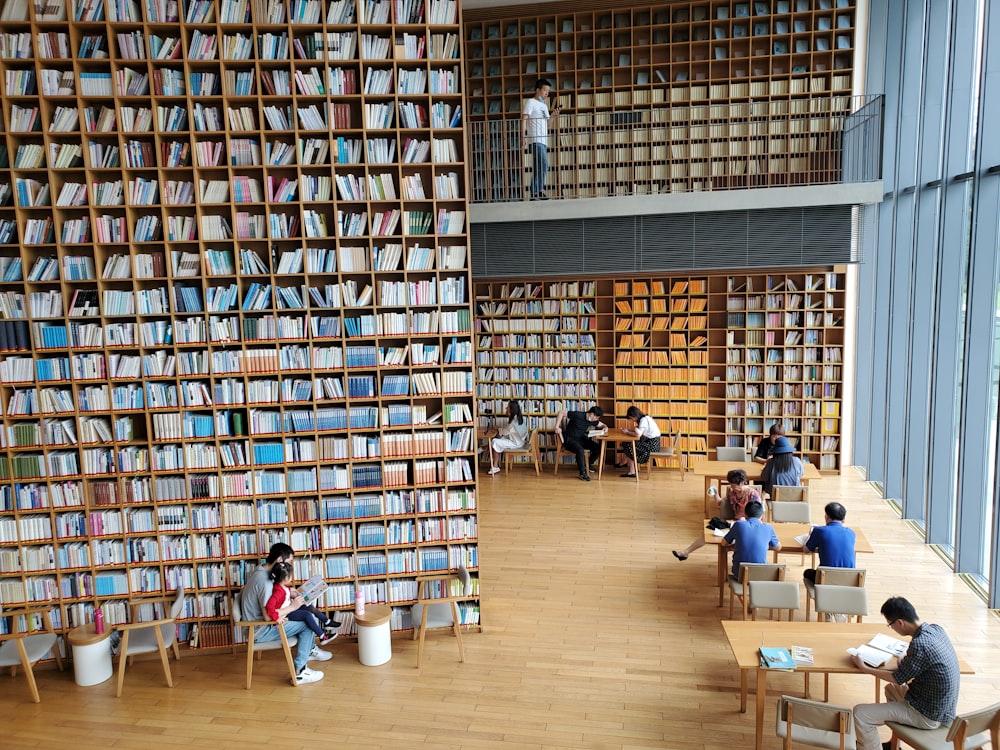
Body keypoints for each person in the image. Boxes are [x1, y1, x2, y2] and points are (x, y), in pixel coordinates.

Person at [852, 597, 960, 750]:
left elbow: (896, 678)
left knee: (860, 713)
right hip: (945, 710)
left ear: (900, 623)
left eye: (890, 625)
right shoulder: (936, 630)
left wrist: (864, 668)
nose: (892, 628)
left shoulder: (919, 645)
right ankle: (894, 744)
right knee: (891, 690)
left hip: (927, 715)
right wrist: (907, 658)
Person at [240, 542, 333, 685]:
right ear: (279, 561)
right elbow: (268, 616)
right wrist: (292, 607)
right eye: (289, 562)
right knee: (306, 624)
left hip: (265, 623)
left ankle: (309, 649)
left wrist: (290, 593)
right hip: (261, 629)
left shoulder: (262, 569)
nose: (291, 567)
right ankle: (300, 672)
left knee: (306, 610)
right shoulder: (264, 582)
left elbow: (276, 592)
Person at [672, 469, 762, 560]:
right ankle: (686, 552)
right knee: (708, 532)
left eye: (734, 485)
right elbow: (720, 504)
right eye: (731, 484)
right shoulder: (733, 494)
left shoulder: (753, 494)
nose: (732, 487)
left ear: (742, 483)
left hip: (749, 525)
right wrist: (715, 492)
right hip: (735, 523)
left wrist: (745, 521)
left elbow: (758, 514)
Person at [265, 562, 338, 646]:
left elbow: (285, 590)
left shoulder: (281, 586)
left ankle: (327, 621)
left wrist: (293, 590)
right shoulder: (278, 591)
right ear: (286, 578)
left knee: (308, 606)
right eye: (291, 575)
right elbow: (269, 607)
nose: (292, 577)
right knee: (306, 615)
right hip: (285, 615)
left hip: (289, 609)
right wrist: (276, 618)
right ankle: (322, 636)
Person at [522, 78, 562, 200]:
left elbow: (548, 125)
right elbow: (524, 119)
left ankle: (536, 193)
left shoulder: (544, 106)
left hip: (543, 141)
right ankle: (537, 191)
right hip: (535, 139)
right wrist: (523, 135)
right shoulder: (530, 102)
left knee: (539, 167)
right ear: (538, 90)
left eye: (548, 91)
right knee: (544, 165)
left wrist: (554, 115)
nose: (546, 93)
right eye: (544, 90)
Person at [721, 500, 780, 577]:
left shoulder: (738, 525)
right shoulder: (768, 528)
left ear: (745, 515)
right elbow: (778, 547)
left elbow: (723, 543)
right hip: (760, 575)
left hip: (739, 574)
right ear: (762, 516)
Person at [802, 502, 856, 583]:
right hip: (849, 580)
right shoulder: (852, 533)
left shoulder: (819, 531)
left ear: (827, 517)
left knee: (807, 572)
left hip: (826, 578)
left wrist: (810, 534)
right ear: (843, 519)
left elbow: (806, 550)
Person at [554, 405, 606, 482]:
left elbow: (601, 424)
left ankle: (587, 464)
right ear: (591, 413)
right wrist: (557, 427)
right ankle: (582, 473)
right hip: (569, 440)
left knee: (598, 448)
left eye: (597, 418)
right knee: (580, 450)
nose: (596, 419)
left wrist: (605, 427)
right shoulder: (578, 415)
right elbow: (561, 413)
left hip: (580, 439)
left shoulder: (593, 420)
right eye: (596, 417)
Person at [614, 406, 661, 478]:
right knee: (628, 444)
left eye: (631, 418)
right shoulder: (645, 418)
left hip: (651, 445)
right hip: (653, 443)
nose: (632, 420)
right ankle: (623, 463)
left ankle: (630, 470)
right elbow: (637, 428)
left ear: (634, 416)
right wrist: (628, 430)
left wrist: (627, 433)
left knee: (628, 445)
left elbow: (637, 434)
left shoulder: (643, 420)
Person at [488, 399, 529, 475]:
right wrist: (500, 429)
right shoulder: (517, 418)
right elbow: (507, 431)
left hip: (516, 443)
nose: (506, 408)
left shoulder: (512, 423)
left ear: (511, 410)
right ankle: (484, 451)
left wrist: (497, 428)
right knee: (498, 440)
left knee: (495, 441)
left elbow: (504, 432)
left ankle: (495, 466)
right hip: (520, 441)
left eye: (507, 407)